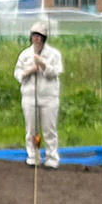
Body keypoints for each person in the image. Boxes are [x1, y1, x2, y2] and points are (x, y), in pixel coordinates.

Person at [15, 15, 64, 168]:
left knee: (50, 129)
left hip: (49, 97)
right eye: (34, 36)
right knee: (31, 129)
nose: (36, 39)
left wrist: (43, 65)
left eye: (39, 36)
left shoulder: (54, 55)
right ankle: (33, 157)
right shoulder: (25, 55)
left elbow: (56, 72)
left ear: (44, 38)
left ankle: (52, 158)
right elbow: (18, 73)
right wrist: (29, 70)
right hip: (30, 96)